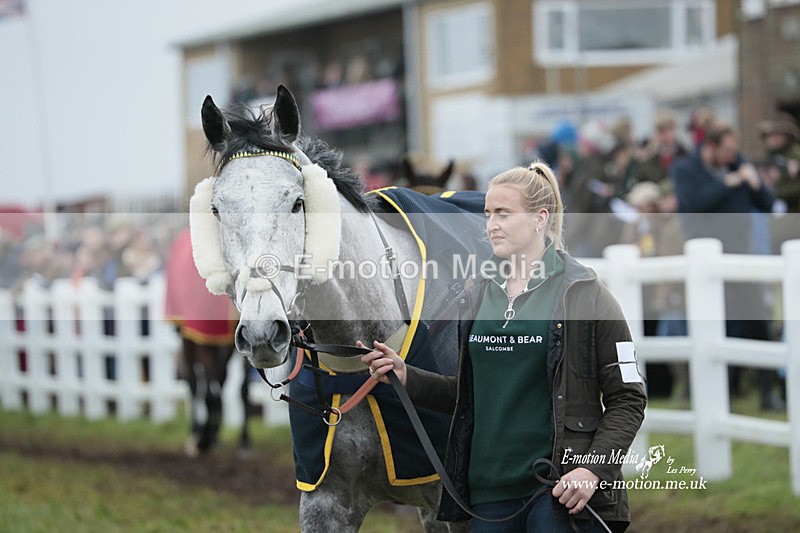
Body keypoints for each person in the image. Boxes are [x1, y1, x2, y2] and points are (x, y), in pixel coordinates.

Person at [359, 161, 647, 532]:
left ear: (540, 218)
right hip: (487, 495)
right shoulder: (477, 293)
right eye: (488, 213)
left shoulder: (586, 296)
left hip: (557, 490)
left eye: (504, 214)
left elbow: (628, 397)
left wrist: (592, 469)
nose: (491, 224)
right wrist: (406, 375)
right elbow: (469, 394)